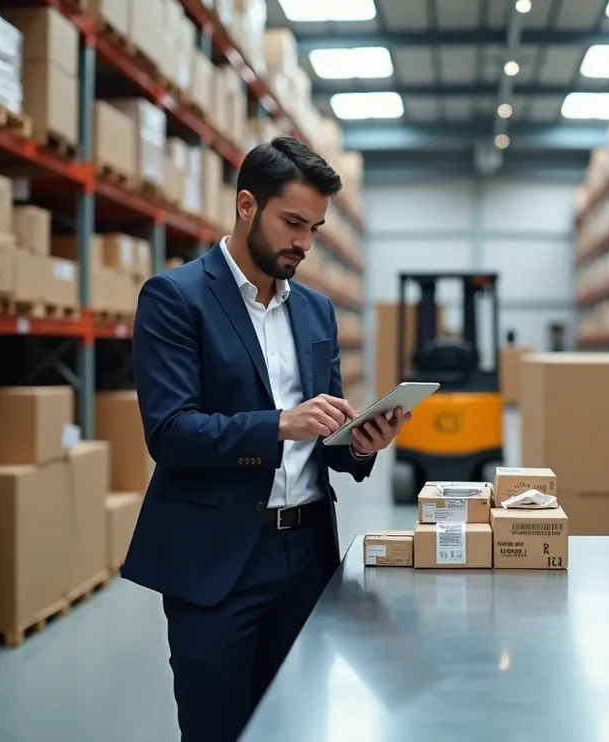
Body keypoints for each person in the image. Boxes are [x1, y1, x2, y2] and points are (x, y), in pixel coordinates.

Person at [124, 136, 408, 742]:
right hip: (219, 556)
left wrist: (359, 443)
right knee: (217, 727)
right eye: (294, 223)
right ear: (247, 205)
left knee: (299, 724)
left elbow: (325, 442)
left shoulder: (316, 312)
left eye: (316, 227)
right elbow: (171, 434)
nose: (305, 243)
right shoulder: (175, 299)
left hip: (307, 553)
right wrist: (281, 424)